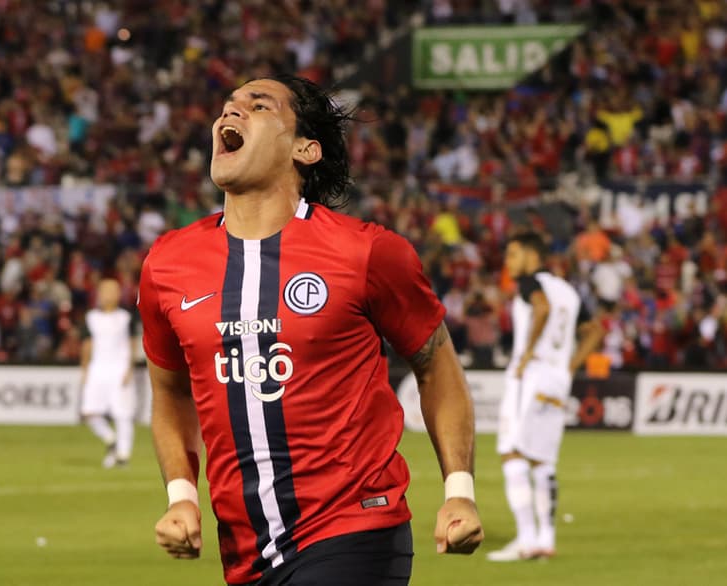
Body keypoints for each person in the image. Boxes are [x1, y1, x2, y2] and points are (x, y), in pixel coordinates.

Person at [138, 75, 483, 586]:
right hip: (245, 552)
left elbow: (436, 367)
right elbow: (169, 394)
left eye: (258, 106)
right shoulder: (167, 264)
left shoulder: (367, 252)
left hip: (356, 528)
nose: (231, 114)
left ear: (305, 148)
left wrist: (459, 489)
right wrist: (182, 497)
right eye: (228, 106)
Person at [488, 232, 604, 562]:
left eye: (513, 255)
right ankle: (545, 539)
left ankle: (526, 539)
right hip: (557, 379)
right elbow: (595, 330)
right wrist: (569, 366)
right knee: (542, 461)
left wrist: (525, 355)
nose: (509, 264)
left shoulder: (530, 283)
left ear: (530, 255)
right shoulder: (568, 289)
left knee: (512, 454)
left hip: (531, 374)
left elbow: (541, 307)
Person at [80, 279, 138, 468]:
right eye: (103, 290)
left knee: (123, 414)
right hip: (97, 368)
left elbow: (132, 343)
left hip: (119, 368)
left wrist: (130, 368)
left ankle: (123, 454)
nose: (106, 295)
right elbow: (87, 345)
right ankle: (110, 438)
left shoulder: (126, 317)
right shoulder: (90, 318)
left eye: (111, 291)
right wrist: (85, 369)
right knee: (89, 412)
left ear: (118, 294)